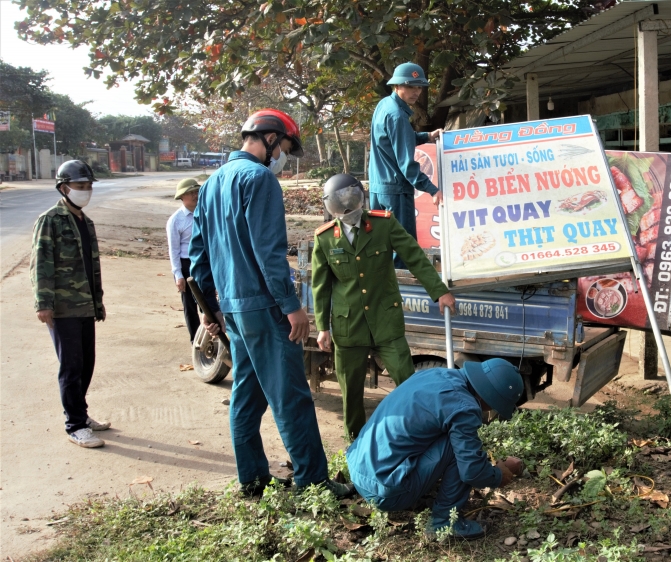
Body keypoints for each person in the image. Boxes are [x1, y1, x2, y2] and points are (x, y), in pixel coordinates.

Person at [189, 108, 353, 499]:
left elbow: (198, 257)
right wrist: (291, 305)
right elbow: (269, 251)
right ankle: (314, 485)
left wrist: (211, 309)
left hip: (234, 309)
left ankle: (252, 480)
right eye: (284, 148)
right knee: (291, 395)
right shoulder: (258, 178)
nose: (282, 157)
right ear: (270, 138)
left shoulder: (211, 184)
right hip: (264, 305)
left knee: (248, 393)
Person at [312, 173, 457, 440]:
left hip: (385, 321)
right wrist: (323, 328)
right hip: (349, 325)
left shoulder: (383, 225)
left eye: (352, 201)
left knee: (407, 380)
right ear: (330, 207)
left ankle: (420, 434)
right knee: (351, 393)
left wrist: (439, 292)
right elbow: (321, 287)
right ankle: (354, 443)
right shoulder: (324, 239)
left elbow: (414, 256)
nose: (348, 208)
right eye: (341, 204)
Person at [346, 359, 525, 539]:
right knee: (456, 449)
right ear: (489, 397)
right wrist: (499, 475)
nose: (492, 410)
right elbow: (472, 471)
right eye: (495, 405)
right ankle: (444, 523)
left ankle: (419, 492)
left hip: (358, 471)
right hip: (383, 492)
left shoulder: (436, 374)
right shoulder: (464, 407)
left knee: (449, 438)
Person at [31, 160, 111, 448]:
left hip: (85, 306)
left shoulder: (85, 222)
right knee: (71, 366)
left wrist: (98, 302)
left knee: (87, 363)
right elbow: (40, 264)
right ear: (64, 188)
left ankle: (82, 413)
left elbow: (93, 267)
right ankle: (74, 425)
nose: (86, 191)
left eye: (89, 186)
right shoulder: (50, 220)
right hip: (62, 307)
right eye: (80, 186)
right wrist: (44, 303)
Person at [369, 62, 442, 266]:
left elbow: (394, 140)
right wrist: (432, 189)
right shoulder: (398, 116)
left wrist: (426, 136)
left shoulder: (384, 105)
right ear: (397, 86)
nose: (416, 92)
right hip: (396, 192)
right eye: (410, 86)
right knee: (403, 249)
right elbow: (407, 164)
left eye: (419, 87)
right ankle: (404, 295)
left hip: (378, 188)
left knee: (381, 245)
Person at [166, 178, 201, 343]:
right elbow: (173, 250)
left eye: (196, 192)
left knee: (208, 302)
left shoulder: (205, 213)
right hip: (186, 264)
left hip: (203, 263)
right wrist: (178, 274)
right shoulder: (176, 220)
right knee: (190, 306)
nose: (195, 196)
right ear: (182, 197)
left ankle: (213, 335)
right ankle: (196, 340)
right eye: (191, 193)